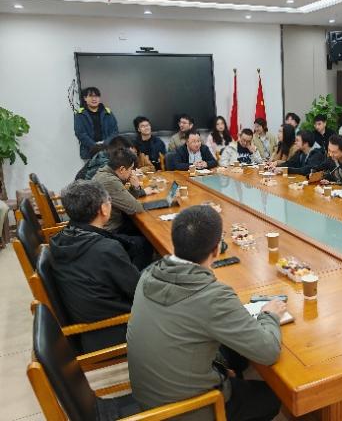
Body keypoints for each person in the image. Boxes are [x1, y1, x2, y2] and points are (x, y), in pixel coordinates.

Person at [127, 205, 284, 421]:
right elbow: (268, 352)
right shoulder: (212, 296)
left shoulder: (149, 273)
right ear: (217, 249)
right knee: (272, 396)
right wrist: (269, 315)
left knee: (234, 356)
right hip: (185, 411)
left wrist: (220, 370)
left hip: (148, 395)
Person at [49, 180, 141, 352]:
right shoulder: (106, 249)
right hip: (114, 329)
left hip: (89, 328)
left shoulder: (59, 239)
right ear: (104, 209)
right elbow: (139, 292)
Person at [93, 148, 155, 268]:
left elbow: (124, 199)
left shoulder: (104, 173)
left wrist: (136, 188)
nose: (132, 173)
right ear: (122, 169)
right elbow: (135, 207)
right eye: (131, 169)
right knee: (145, 243)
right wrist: (136, 186)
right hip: (107, 231)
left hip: (108, 224)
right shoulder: (110, 181)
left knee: (142, 229)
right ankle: (135, 276)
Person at [74, 87, 119, 160]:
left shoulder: (108, 113)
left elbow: (115, 131)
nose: (94, 99)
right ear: (85, 98)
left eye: (96, 96)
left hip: (108, 150)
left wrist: (105, 144)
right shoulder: (80, 114)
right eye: (91, 96)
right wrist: (95, 146)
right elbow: (80, 133)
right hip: (88, 153)